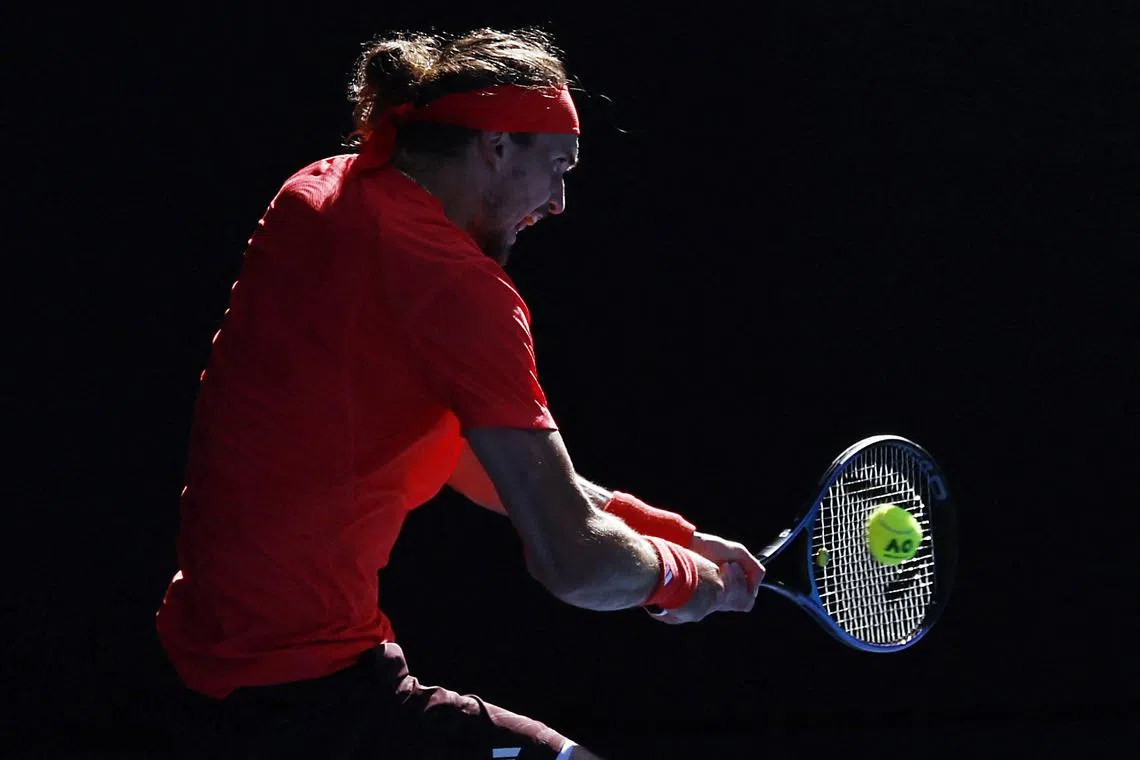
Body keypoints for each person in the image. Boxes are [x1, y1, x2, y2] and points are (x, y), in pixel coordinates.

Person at [155, 26, 766, 760]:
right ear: (497, 145)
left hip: (202, 672)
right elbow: (572, 561)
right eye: (559, 167)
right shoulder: (457, 288)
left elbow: (451, 452)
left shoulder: (316, 193)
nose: (560, 203)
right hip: (306, 698)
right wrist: (684, 581)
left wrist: (659, 528)